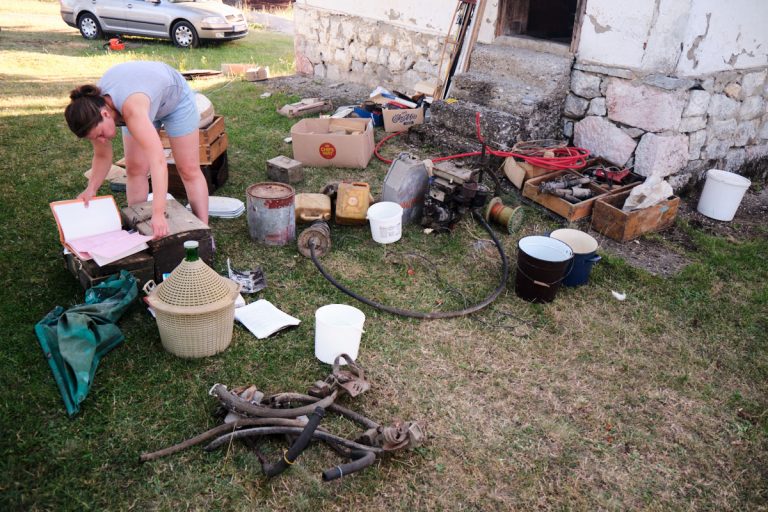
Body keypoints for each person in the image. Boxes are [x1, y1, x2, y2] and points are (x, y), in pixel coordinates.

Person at [64, 61, 209, 238]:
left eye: (100, 134)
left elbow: (158, 162)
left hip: (173, 98)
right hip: (143, 97)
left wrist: (158, 213)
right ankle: (138, 227)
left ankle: (203, 234)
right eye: (95, 138)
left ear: (105, 114)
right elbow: (102, 156)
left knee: (188, 169)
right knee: (135, 168)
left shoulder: (132, 111)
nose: (101, 140)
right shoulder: (92, 111)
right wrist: (91, 188)